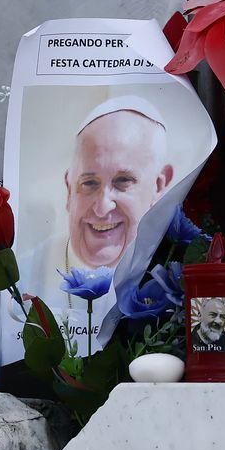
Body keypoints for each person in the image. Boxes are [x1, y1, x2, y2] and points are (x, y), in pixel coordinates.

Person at [27, 97, 176, 329]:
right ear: (69, 188)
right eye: (89, 183)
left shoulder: (176, 271)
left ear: (159, 185)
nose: (102, 206)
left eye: (123, 181)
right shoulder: (25, 274)